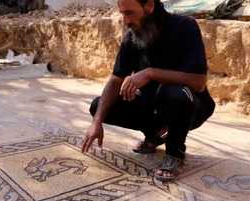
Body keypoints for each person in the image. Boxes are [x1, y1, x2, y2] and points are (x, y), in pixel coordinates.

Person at [81, 0, 215, 182]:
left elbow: (198, 82)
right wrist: (97, 121)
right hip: (154, 106)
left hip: (190, 105)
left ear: (149, 6)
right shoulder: (132, 35)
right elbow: (115, 80)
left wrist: (150, 73)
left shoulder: (184, 26)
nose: (125, 20)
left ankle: (175, 154)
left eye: (130, 13)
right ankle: (154, 134)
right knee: (99, 106)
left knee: (171, 94)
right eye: (122, 14)